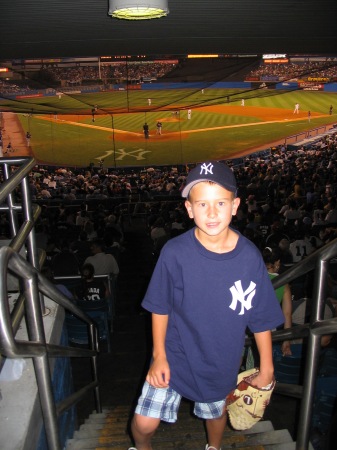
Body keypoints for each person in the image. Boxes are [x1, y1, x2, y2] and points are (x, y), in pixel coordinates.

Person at [129, 161, 284, 450]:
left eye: (220, 203)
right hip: (174, 354)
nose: (211, 213)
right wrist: (159, 355)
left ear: (235, 205)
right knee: (143, 423)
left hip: (220, 360)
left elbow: (260, 316)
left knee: (215, 415)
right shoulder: (174, 252)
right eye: (202, 204)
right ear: (189, 209)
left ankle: (214, 447)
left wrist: (267, 368)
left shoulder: (249, 257)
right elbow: (160, 306)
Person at [262, 247, 292, 356]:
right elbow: (287, 314)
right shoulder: (283, 283)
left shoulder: (252, 276)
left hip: (248, 326)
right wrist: (286, 340)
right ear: (277, 262)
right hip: (269, 329)